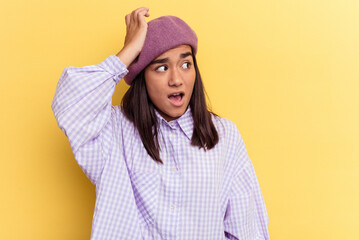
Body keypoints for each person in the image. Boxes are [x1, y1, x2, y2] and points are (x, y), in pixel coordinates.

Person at [51, 7, 270, 240]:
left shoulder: (225, 136)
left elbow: (247, 230)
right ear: (142, 77)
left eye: (186, 65)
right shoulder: (113, 130)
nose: (176, 80)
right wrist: (128, 52)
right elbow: (69, 105)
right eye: (162, 68)